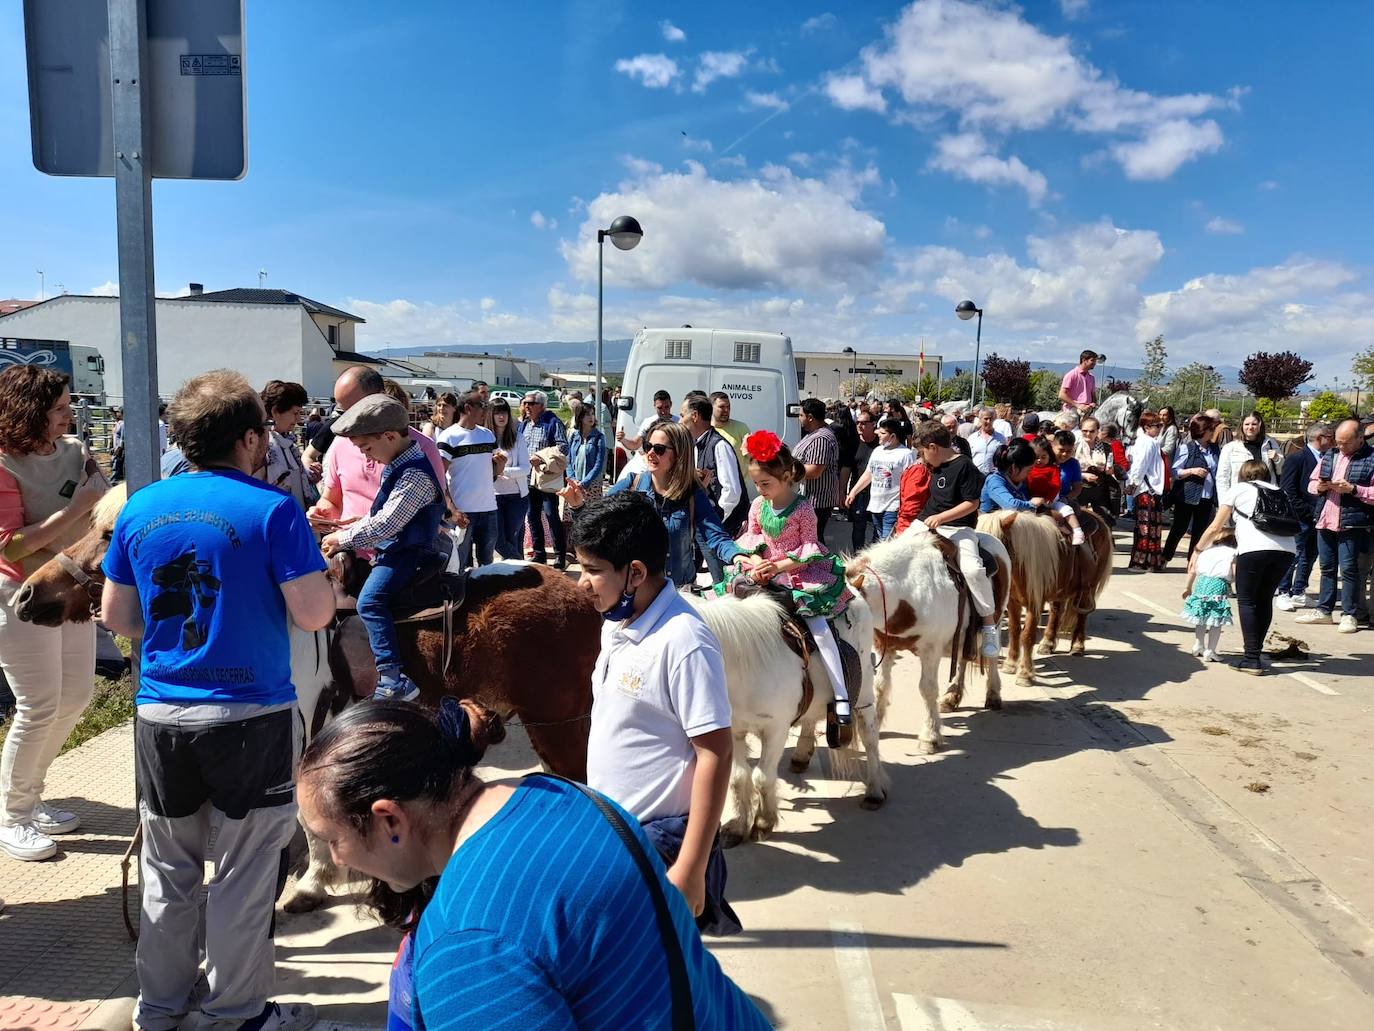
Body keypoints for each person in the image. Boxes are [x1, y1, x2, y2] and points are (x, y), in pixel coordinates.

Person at [296, 701, 769, 1030]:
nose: (337, 859)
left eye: (332, 839)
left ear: (389, 819)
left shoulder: (469, 948)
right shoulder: (567, 795)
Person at [100, 369, 335, 1031]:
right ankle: (235, 1012)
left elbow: (118, 614)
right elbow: (315, 614)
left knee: (167, 864)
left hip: (161, 714)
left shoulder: (140, 507)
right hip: (248, 715)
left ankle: (162, 1007)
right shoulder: (271, 508)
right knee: (242, 868)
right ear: (251, 437)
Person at [572, 491, 744, 932]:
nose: (581, 583)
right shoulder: (617, 623)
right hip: (616, 835)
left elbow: (716, 753)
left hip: (660, 847)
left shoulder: (683, 641)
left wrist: (689, 869)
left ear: (635, 574)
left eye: (593, 571)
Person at [0, 367, 107, 862]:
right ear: (29, 411)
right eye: (60, 408)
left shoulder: (75, 453)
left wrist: (98, 497)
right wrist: (78, 507)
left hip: (72, 594)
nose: (71, 414)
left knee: (75, 696)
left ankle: (30, 793)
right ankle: (13, 815)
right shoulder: (3, 463)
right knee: (39, 704)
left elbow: (98, 513)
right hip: (20, 592)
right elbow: (11, 544)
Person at [321, 395, 446, 701]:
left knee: (370, 602)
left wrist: (344, 538)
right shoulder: (400, 463)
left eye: (367, 448)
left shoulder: (415, 475)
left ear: (389, 436)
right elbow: (387, 512)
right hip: (399, 547)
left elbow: (388, 525)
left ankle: (392, 677)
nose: (367, 456)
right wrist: (353, 522)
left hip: (407, 553)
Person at [733, 432, 855, 732]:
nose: (760, 490)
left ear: (787, 476)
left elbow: (809, 549)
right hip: (766, 571)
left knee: (820, 629)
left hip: (800, 574)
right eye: (757, 484)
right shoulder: (758, 506)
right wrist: (758, 562)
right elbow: (755, 539)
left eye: (766, 484)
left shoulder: (803, 509)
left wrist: (777, 567)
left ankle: (840, 694)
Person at [565, 421, 743, 588]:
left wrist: (738, 557)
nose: (650, 453)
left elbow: (716, 536)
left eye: (659, 449)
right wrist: (577, 505)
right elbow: (596, 524)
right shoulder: (631, 484)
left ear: (678, 455)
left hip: (677, 591)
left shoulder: (692, 494)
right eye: (647, 446)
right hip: (636, 592)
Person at [306, 367, 447, 540]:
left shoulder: (422, 448)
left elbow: (430, 516)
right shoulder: (341, 443)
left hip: (398, 559)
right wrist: (322, 513)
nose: (349, 420)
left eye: (357, 408)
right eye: (343, 412)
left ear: (381, 397)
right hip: (347, 557)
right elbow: (331, 500)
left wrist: (363, 531)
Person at [1195, 460, 1297, 674]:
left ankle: (1251, 658)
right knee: (1264, 599)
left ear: (1242, 475)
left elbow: (1216, 526)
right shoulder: (1281, 491)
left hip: (1254, 549)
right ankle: (1255, 652)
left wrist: (1198, 549)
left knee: (1247, 600)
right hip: (1286, 550)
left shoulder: (1239, 489)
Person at [912, 421, 1001, 657]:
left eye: (922, 453)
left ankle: (989, 624)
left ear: (932, 447)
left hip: (959, 529)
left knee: (972, 570)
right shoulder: (936, 466)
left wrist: (941, 517)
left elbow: (971, 503)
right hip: (926, 522)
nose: (922, 459)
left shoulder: (965, 467)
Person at [1297, 418, 1374, 632]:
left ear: (1360, 438)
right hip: (1325, 518)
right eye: (1338, 442)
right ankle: (1324, 610)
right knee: (1326, 567)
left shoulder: (1371, 458)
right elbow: (1311, 484)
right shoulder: (1330, 455)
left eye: (1345, 442)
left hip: (1352, 523)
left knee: (1349, 569)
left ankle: (1350, 614)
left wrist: (1354, 489)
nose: (1340, 447)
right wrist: (1320, 487)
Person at [681, 398, 744, 580]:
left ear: (694, 416)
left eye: (683, 415)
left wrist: (714, 519)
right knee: (689, 574)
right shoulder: (697, 443)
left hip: (716, 522)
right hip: (703, 520)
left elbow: (732, 491)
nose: (680, 420)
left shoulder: (719, 445)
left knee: (721, 577)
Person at [437, 391, 499, 571]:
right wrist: (452, 510)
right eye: (482, 405)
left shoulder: (488, 435)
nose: (486, 410)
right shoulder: (449, 437)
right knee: (460, 563)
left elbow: (492, 472)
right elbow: (440, 477)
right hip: (463, 512)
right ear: (467, 408)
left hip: (489, 509)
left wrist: (500, 465)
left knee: (487, 564)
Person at [1276, 421, 1333, 611]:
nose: (1333, 440)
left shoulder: (1330, 458)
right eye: (1329, 437)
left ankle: (1299, 591)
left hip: (1321, 517)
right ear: (1319, 438)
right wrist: (1305, 511)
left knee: (1310, 555)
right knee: (1295, 554)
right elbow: (1288, 490)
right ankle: (1283, 592)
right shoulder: (1297, 458)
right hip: (1302, 516)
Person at [519, 390, 570, 568]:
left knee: (551, 515)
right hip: (528, 479)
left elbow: (563, 447)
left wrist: (540, 458)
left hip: (547, 478)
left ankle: (559, 556)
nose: (526, 406)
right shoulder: (524, 425)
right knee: (532, 516)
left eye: (530, 403)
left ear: (541, 405)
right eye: (525, 403)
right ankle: (539, 554)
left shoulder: (552, 422)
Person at [845, 417, 915, 542]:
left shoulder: (906, 454)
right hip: (876, 504)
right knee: (879, 538)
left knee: (886, 541)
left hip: (893, 506)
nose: (879, 435)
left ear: (893, 436)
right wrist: (853, 492)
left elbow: (909, 481)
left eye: (883, 433)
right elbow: (869, 474)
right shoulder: (877, 451)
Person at [1163, 414, 1220, 566]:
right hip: (1187, 496)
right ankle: (1165, 557)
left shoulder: (1215, 449)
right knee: (1179, 529)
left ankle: (1192, 562)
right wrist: (1192, 471)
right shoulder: (1186, 448)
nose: (1213, 431)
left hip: (1207, 497)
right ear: (1202, 430)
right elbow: (1175, 471)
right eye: (1210, 429)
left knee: (1200, 532)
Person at [257, 380, 317, 511]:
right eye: (295, 413)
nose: (299, 419)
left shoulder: (288, 444)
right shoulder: (260, 448)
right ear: (275, 412)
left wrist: (309, 475)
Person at [1180, 528, 1237, 663]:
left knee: (1201, 616)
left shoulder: (1205, 552)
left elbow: (1192, 570)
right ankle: (1210, 650)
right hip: (1218, 584)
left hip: (1201, 583)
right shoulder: (1233, 553)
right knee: (1216, 619)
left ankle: (1198, 644)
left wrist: (1187, 587)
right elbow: (1235, 574)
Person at [488, 398, 530, 561]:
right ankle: (523, 568)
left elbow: (526, 468)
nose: (501, 416)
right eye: (497, 412)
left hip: (516, 497)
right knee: (498, 540)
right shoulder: (485, 438)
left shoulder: (517, 437)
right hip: (493, 496)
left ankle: (516, 578)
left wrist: (503, 470)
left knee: (513, 538)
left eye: (504, 412)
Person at [1126, 411, 1168, 571]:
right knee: (1146, 527)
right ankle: (1141, 562)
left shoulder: (1150, 442)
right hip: (1146, 490)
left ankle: (1150, 561)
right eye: (1157, 426)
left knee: (1152, 527)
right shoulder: (1147, 442)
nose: (1159, 428)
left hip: (1151, 490)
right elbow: (1140, 465)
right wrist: (1134, 483)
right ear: (1146, 427)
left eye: (1160, 425)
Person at [794, 398, 841, 538]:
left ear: (810, 417)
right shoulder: (813, 435)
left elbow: (814, 471)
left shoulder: (821, 439)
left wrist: (785, 472)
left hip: (817, 501)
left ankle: (821, 561)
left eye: (801, 415)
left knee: (813, 541)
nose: (799, 418)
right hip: (809, 498)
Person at [1216, 411, 1284, 497]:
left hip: (1267, 497)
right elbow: (1222, 478)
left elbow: (1282, 470)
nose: (1250, 427)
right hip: (1241, 498)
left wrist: (1277, 459)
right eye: (1247, 424)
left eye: (1254, 424)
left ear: (1260, 425)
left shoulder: (1270, 443)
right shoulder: (1230, 448)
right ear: (1242, 426)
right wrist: (1225, 504)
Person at [980, 439, 1048, 514]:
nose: (1030, 473)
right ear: (1014, 468)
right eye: (1029, 470)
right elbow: (1011, 506)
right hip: (993, 523)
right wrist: (1032, 504)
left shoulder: (1021, 481)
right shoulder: (994, 480)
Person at [1048, 430, 1088, 546]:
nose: (1065, 454)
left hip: (1064, 500)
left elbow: (1077, 488)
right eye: (1061, 450)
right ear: (1053, 446)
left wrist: (1066, 498)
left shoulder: (1073, 463)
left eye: (1069, 451)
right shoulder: (1045, 460)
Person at [847, 410, 878, 550]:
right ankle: (857, 556)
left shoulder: (881, 442)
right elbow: (845, 468)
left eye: (864, 423)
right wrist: (843, 491)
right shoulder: (853, 442)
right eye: (858, 422)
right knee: (858, 527)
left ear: (873, 424)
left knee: (878, 527)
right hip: (858, 491)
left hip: (878, 491)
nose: (860, 426)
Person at [618, 389, 677, 453]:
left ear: (671, 404)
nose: (663, 412)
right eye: (659, 408)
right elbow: (636, 443)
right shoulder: (648, 422)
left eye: (666, 407)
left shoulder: (678, 423)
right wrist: (623, 440)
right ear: (654, 405)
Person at [709, 391, 750, 463]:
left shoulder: (741, 428)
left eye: (728, 406)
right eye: (721, 407)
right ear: (710, 407)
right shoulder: (705, 429)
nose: (726, 410)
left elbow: (751, 457)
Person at [1059, 350, 1101, 415]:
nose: (1094, 363)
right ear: (1084, 360)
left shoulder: (1091, 377)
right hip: (1071, 411)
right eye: (1092, 360)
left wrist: (1094, 403)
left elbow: (1093, 395)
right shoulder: (1071, 375)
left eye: (1095, 361)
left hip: (1087, 411)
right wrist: (1078, 405)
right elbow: (1061, 395)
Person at [968, 407, 1007, 475]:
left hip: (993, 478)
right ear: (980, 419)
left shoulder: (1001, 438)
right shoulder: (972, 438)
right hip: (975, 477)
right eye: (986, 419)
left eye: (991, 419)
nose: (989, 421)